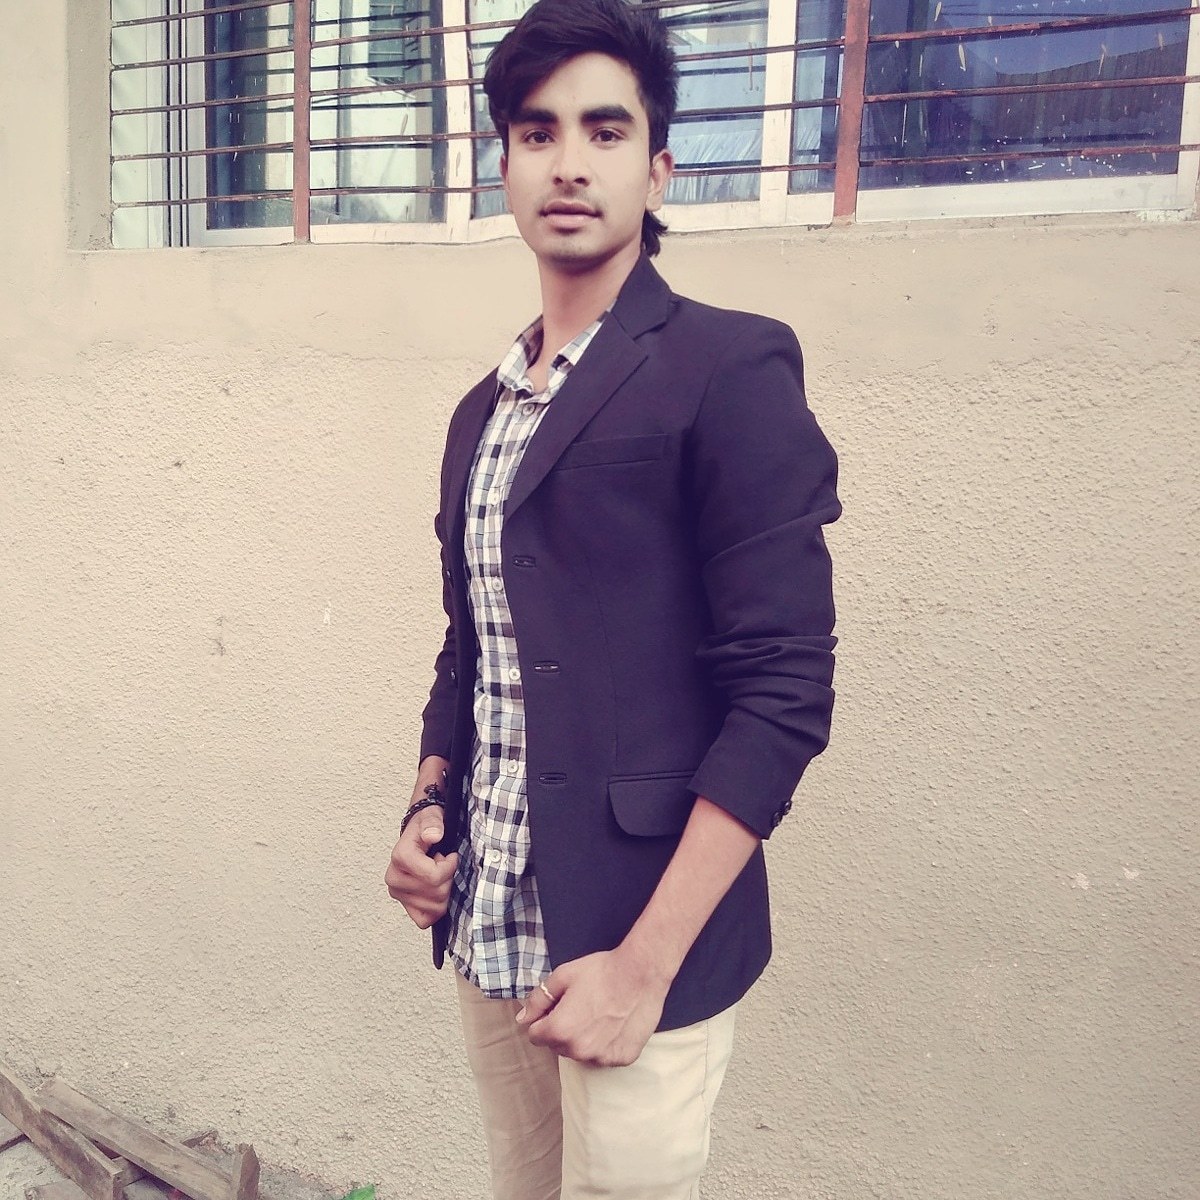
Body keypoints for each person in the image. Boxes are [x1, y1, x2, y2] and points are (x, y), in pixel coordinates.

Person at [385, 0, 840, 1195]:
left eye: (605, 129)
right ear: (505, 165)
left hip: (642, 947)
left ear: (660, 167)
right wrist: (427, 807)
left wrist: (643, 968)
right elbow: (472, 650)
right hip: (492, 920)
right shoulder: (481, 413)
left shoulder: (728, 367)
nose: (570, 162)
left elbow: (784, 694)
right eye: (538, 133)